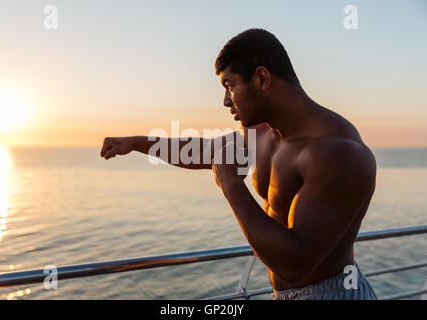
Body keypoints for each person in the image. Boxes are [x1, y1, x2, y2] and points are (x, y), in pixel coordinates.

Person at [100, 28, 378, 300]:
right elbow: (207, 150)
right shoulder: (264, 133)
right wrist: (136, 143)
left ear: (261, 79)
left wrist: (232, 186)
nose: (225, 100)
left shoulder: (339, 154)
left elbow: (295, 265)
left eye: (229, 86)